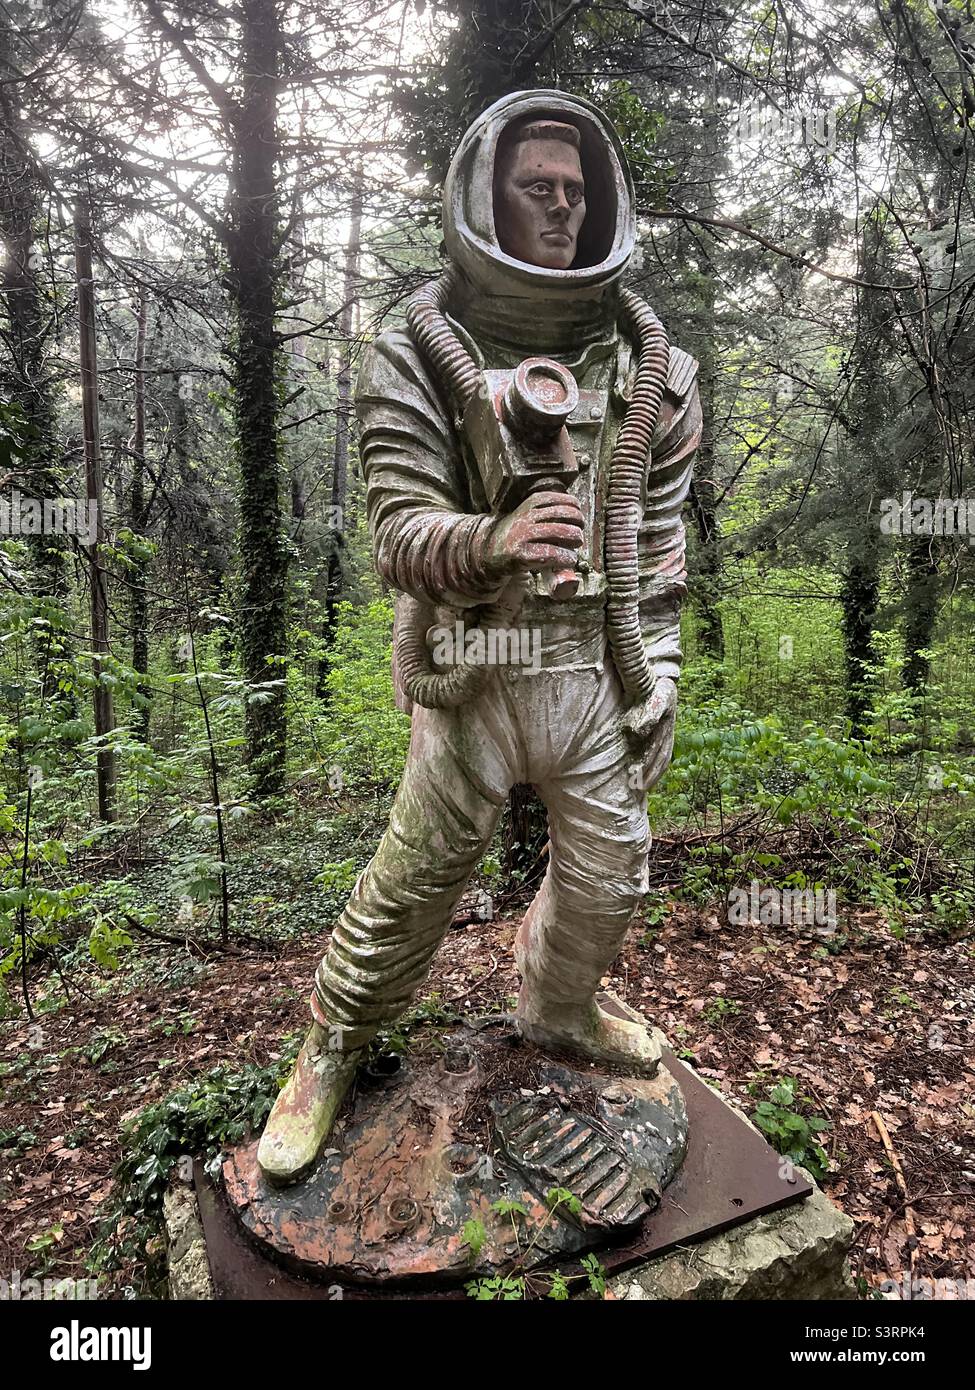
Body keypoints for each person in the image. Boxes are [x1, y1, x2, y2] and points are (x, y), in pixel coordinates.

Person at [258, 90, 703, 1185]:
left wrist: (662, 679)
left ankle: (559, 1006)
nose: (558, 209)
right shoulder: (418, 350)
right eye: (533, 189)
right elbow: (397, 534)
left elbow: (657, 550)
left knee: (611, 877)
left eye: (574, 192)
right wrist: (495, 537)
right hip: (473, 666)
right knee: (415, 878)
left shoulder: (657, 369)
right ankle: (334, 1040)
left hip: (596, 671)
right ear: (485, 198)